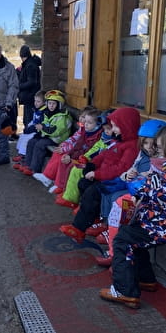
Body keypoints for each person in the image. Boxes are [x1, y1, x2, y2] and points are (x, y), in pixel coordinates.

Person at [99, 125, 166, 309]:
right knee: (132, 235)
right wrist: (137, 196)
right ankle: (146, 279)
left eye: (160, 149)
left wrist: (145, 195)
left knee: (123, 240)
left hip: (160, 225)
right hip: (154, 222)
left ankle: (124, 291)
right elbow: (150, 187)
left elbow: (159, 194)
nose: (156, 152)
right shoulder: (160, 166)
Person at [59, 107, 141, 243]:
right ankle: (94, 217)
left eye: (116, 126)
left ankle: (78, 229)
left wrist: (97, 174)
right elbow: (104, 155)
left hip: (115, 181)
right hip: (106, 177)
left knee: (92, 192)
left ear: (127, 126)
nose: (113, 130)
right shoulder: (118, 141)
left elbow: (120, 169)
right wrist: (90, 163)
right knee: (83, 183)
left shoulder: (131, 146)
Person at [33, 107, 102, 193]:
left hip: (80, 156)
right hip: (74, 151)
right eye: (82, 116)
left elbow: (81, 147)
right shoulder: (84, 128)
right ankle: (48, 177)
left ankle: (57, 183)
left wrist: (66, 150)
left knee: (63, 158)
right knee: (58, 152)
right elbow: (74, 139)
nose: (83, 120)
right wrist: (64, 146)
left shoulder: (93, 133)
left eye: (85, 118)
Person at [20, 90, 72, 176]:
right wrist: (40, 128)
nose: (51, 106)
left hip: (57, 140)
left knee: (40, 144)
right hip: (49, 137)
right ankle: (27, 164)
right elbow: (45, 124)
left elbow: (55, 131)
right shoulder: (48, 113)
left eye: (54, 104)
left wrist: (42, 127)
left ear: (59, 105)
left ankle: (35, 169)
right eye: (49, 103)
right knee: (32, 141)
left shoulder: (63, 117)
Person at [12, 90, 46, 167]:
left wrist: (30, 129)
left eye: (38, 101)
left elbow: (40, 124)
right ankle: (21, 154)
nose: (36, 103)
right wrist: (27, 128)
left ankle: (24, 158)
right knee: (22, 136)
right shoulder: (37, 110)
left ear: (44, 102)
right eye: (35, 101)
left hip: (39, 132)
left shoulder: (44, 112)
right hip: (34, 129)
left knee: (27, 139)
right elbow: (33, 121)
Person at [18, 45, 42, 127]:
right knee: (27, 120)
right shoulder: (30, 64)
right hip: (29, 97)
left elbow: (32, 82)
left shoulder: (30, 65)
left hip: (30, 97)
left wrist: (19, 86)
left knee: (29, 121)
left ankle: (30, 138)